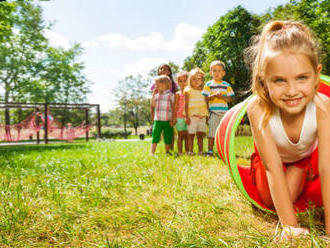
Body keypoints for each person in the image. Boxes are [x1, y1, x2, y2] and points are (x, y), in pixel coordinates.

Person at [245, 20, 329, 240]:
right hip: (268, 163)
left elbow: (328, 168)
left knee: (291, 188)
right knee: (271, 202)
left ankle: (302, 170)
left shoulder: (322, 106)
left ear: (316, 75)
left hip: (302, 158)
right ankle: (301, 172)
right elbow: (272, 168)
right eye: (280, 80)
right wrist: (290, 226)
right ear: (265, 80)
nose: (292, 91)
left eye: (302, 77)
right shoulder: (258, 108)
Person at [202, 60, 234, 157]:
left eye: (219, 71)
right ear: (211, 73)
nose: (217, 73)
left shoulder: (226, 85)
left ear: (223, 73)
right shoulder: (208, 85)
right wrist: (214, 95)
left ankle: (224, 151)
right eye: (214, 71)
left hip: (224, 113)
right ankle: (210, 151)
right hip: (214, 112)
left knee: (224, 133)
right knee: (212, 132)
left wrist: (222, 97)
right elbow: (206, 99)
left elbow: (230, 99)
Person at [185, 68, 208, 155]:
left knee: (200, 135)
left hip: (202, 116)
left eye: (199, 79)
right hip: (192, 116)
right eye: (194, 79)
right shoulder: (188, 90)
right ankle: (190, 151)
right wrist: (186, 116)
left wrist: (207, 114)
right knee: (191, 134)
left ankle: (200, 151)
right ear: (190, 80)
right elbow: (186, 104)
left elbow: (206, 102)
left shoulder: (204, 90)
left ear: (202, 80)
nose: (196, 81)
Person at [150, 75, 175, 155]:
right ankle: (152, 152)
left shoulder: (171, 95)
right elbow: (153, 105)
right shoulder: (156, 96)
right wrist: (153, 95)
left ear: (165, 85)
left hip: (168, 120)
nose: (155, 86)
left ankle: (167, 152)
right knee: (155, 136)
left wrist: (173, 119)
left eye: (157, 84)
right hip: (158, 120)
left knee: (168, 136)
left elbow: (174, 107)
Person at [174, 71, 189, 155]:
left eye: (185, 80)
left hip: (188, 117)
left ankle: (187, 151)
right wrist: (173, 117)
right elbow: (175, 106)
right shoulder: (177, 94)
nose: (183, 83)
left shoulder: (190, 93)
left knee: (187, 135)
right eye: (180, 81)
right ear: (177, 82)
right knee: (180, 135)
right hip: (179, 117)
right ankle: (180, 151)